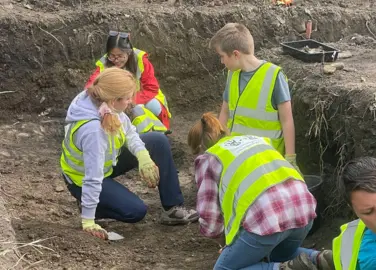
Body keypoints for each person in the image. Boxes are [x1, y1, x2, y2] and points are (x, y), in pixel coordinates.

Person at [61, 67, 198, 240]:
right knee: (135, 211)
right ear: (113, 100)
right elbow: (93, 177)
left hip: (107, 161)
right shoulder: (93, 131)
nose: (131, 102)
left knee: (158, 141)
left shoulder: (103, 102)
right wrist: (88, 220)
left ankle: (172, 209)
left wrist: (143, 156)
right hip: (82, 178)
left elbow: (129, 132)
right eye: (127, 98)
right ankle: (92, 207)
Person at [187, 112, 332, 270]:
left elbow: (209, 218)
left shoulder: (209, 159)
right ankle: (317, 258)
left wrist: (227, 245)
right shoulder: (255, 140)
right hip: (303, 209)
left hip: (266, 218)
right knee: (279, 254)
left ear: (200, 148)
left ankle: (283, 269)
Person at [209, 23, 299, 171]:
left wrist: (290, 158)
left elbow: (287, 120)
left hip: (267, 161)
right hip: (237, 157)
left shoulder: (274, 76)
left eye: (222, 56)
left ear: (236, 54)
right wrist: (217, 146)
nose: (222, 61)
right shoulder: (232, 75)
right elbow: (225, 112)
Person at [85, 30, 172, 130]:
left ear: (129, 53)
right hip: (117, 100)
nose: (116, 60)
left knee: (152, 107)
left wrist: (131, 100)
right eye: (112, 56)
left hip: (142, 96)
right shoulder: (104, 63)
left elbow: (152, 88)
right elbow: (91, 84)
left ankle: (156, 128)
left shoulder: (140, 59)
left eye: (120, 56)